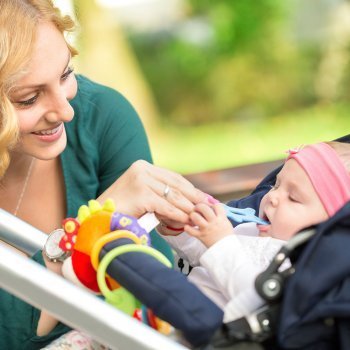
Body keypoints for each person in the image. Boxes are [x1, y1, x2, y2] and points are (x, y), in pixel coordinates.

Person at [0, 1, 209, 348]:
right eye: (29, 98)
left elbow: (154, 304)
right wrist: (95, 228)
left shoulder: (100, 119)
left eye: (65, 75)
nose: (65, 111)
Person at [98, 141, 350, 347]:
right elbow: (204, 258)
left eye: (293, 198)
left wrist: (220, 241)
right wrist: (183, 232)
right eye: (276, 185)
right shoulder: (254, 231)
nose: (271, 198)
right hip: (162, 321)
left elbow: (259, 299)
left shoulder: (299, 262)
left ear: (327, 226)